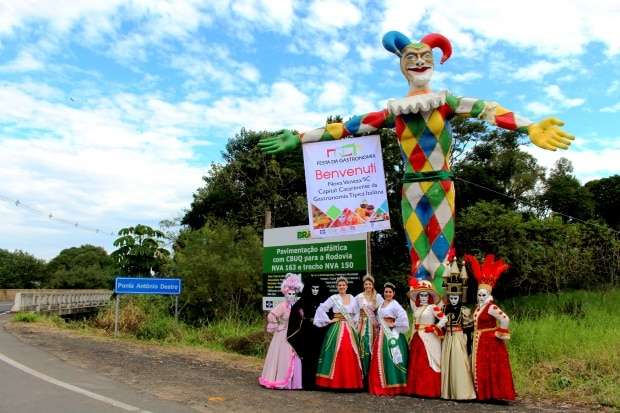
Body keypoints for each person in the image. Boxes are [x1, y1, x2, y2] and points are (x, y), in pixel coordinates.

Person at [258, 31, 574, 295]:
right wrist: (301, 137)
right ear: (402, 65)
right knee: (417, 259)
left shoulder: (446, 103)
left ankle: (445, 322)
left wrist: (528, 125)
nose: (420, 62)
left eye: (426, 56)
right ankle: (421, 325)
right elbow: (346, 127)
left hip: (440, 184)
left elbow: (487, 109)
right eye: (412, 57)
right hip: (411, 189)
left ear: (433, 63)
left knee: (443, 257)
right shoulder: (394, 112)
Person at [464, 254, 516, 401]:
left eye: (483, 294)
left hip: (490, 341)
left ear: (488, 294)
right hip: (479, 341)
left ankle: (494, 393)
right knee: (481, 366)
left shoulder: (491, 307)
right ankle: (483, 393)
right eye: (479, 294)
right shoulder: (478, 307)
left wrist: (500, 333)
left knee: (491, 366)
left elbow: (505, 319)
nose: (480, 297)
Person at [313, 276, 363, 390]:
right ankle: (333, 382)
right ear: (337, 287)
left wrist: (355, 323)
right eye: (339, 285)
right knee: (335, 351)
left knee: (349, 351)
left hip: (349, 327)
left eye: (343, 285)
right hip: (337, 327)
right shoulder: (333, 298)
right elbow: (322, 309)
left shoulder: (352, 298)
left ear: (347, 286)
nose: (342, 287)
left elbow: (357, 312)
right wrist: (329, 320)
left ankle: (351, 382)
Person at [259, 273, 304, 389]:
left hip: (295, 334)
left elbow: (302, 318)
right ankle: (280, 380)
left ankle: (294, 382)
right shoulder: (283, 306)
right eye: (289, 293)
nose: (291, 295)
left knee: (295, 356)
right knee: (283, 357)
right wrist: (277, 326)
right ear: (285, 293)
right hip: (283, 335)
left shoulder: (298, 306)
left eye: (294, 294)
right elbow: (271, 315)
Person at [287, 277, 330, 390]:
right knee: (307, 356)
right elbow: (294, 313)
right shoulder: (303, 301)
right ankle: (307, 382)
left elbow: (331, 315)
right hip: (307, 333)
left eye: (317, 288)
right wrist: (301, 316)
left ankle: (320, 383)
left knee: (320, 356)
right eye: (313, 288)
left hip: (321, 332)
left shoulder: (326, 301)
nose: (315, 290)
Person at [406, 279, 447, 397]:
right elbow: (415, 323)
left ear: (429, 296)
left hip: (430, 338)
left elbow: (444, 319)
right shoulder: (417, 309)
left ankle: (428, 390)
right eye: (421, 295)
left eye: (425, 295)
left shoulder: (433, 307)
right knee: (416, 362)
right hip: (418, 337)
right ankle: (416, 389)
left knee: (429, 361)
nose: (423, 297)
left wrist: (435, 327)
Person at [368, 282, 409, 396]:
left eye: (390, 292)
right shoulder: (381, 304)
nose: (388, 294)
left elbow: (403, 316)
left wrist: (394, 324)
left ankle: (393, 385)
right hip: (382, 333)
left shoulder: (395, 304)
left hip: (391, 334)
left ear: (393, 293)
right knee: (381, 356)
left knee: (391, 356)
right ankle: (381, 385)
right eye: (386, 292)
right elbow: (378, 318)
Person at [440, 288, 476, 400]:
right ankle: (447, 392)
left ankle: (462, 392)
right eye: (451, 298)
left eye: (455, 298)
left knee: (459, 362)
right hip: (447, 338)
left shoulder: (463, 310)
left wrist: (467, 338)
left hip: (458, 337)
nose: (453, 300)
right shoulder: (444, 308)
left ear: (459, 298)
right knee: (447, 362)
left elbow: (469, 326)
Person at [355, 275, 383, 380]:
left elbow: (380, 312)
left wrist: (380, 324)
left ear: (373, 285)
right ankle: (363, 374)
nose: (368, 286)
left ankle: (373, 375)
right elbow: (355, 311)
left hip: (373, 325)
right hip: (362, 324)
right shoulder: (359, 297)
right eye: (366, 284)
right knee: (363, 346)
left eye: (369, 284)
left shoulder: (378, 297)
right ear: (363, 285)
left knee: (373, 347)